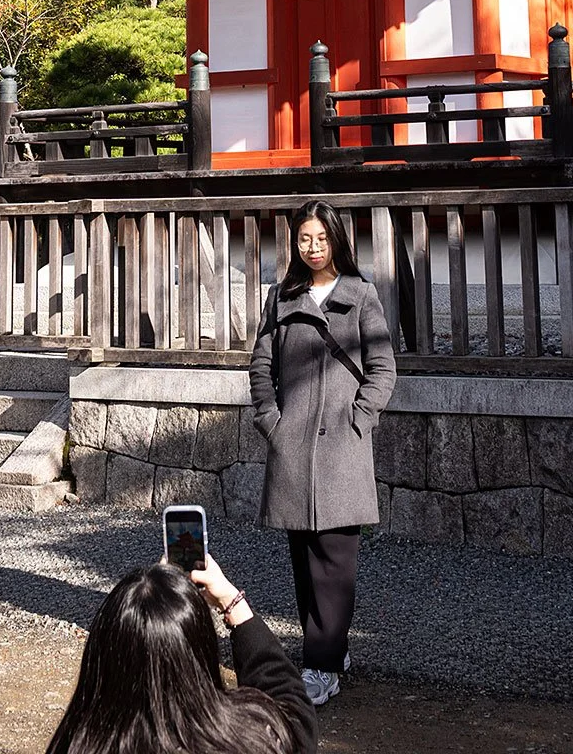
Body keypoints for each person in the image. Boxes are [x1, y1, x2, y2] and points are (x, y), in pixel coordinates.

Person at [249, 198, 397, 708]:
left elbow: (383, 370)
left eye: (321, 239)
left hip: (342, 451)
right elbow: (259, 366)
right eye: (304, 239)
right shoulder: (283, 297)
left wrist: (360, 420)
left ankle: (321, 665)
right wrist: (272, 422)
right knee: (304, 565)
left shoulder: (361, 295)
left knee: (335, 566)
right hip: (293, 450)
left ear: (337, 240)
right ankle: (331, 651)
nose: (312, 248)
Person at [42, 550, 315, 754]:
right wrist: (232, 603)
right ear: (201, 650)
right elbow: (295, 715)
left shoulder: (76, 743)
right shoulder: (253, 740)